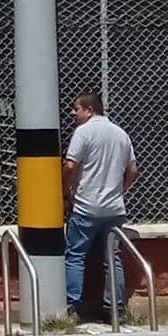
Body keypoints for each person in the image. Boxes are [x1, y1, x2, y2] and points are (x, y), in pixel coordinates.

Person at [62, 91, 137, 323]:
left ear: (89, 110)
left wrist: (63, 190)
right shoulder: (120, 134)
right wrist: (119, 190)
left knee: (75, 255)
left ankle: (73, 307)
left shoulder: (83, 133)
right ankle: (116, 309)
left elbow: (71, 165)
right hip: (114, 209)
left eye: (77, 109)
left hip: (86, 206)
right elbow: (133, 170)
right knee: (112, 258)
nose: (73, 113)